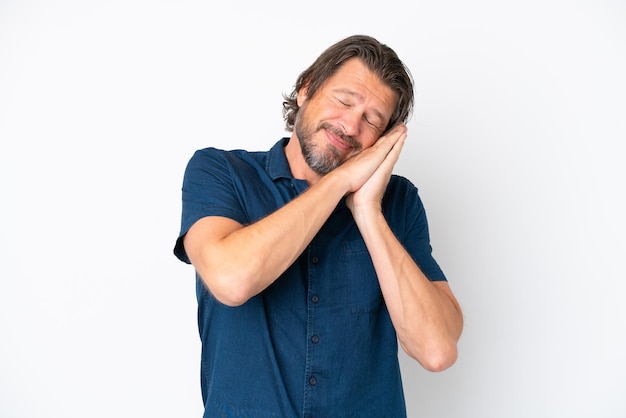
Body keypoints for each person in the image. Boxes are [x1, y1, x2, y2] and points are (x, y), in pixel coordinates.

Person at [173, 34, 463, 417]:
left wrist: (368, 212)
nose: (349, 126)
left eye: (372, 120)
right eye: (344, 101)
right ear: (306, 89)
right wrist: (340, 182)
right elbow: (231, 280)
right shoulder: (221, 172)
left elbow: (437, 349)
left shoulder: (399, 202)